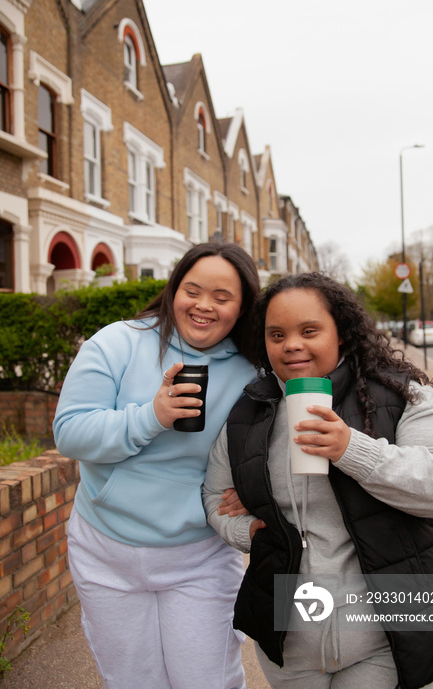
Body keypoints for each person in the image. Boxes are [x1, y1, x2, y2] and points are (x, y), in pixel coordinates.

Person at [203, 272, 433, 689]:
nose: (291, 344)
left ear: (340, 333)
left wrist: (350, 448)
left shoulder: (402, 394)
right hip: (291, 648)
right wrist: (245, 530)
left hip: (393, 634)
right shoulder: (250, 412)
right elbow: (214, 495)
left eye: (309, 330)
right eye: (276, 334)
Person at [53, 241, 261, 689]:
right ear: (173, 290)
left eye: (223, 298)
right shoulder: (117, 342)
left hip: (200, 556)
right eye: (193, 290)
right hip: (105, 551)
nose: (204, 306)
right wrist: (151, 416)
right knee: (132, 680)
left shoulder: (252, 373)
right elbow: (69, 431)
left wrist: (256, 488)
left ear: (242, 309)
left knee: (207, 680)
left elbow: (272, 446)